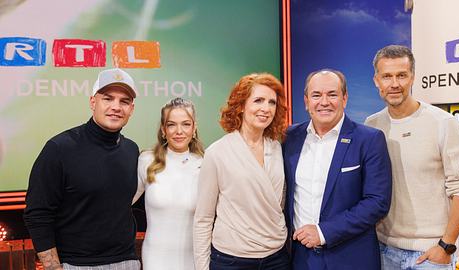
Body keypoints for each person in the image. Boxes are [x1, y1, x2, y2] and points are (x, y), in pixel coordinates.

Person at [365, 45, 459, 270]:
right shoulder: (372, 125)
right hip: (383, 249)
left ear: (413, 78)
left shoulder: (444, 123)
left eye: (402, 75)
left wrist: (446, 246)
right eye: (387, 76)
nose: (394, 83)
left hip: (430, 254)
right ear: (376, 80)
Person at [24, 68, 140, 270]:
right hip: (76, 264)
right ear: (93, 102)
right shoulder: (59, 148)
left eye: (124, 101)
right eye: (108, 98)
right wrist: (53, 267)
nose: (116, 107)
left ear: (132, 109)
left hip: (126, 262)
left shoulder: (131, 150)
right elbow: (37, 214)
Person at [283, 69, 392, 270]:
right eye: (316, 95)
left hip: (350, 258)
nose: (324, 102)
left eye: (332, 94)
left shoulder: (369, 139)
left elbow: (377, 202)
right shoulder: (289, 138)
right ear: (307, 101)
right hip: (299, 259)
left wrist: (323, 232)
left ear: (344, 98)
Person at [193, 73, 289, 270]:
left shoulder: (277, 148)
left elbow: (280, 204)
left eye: (272, 102)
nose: (266, 108)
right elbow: (203, 219)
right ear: (241, 105)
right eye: (258, 100)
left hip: (276, 259)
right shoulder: (217, 153)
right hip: (232, 260)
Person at [133, 97, 204, 270]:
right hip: (155, 260)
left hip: (194, 260)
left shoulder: (206, 163)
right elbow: (121, 206)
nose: (179, 131)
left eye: (186, 124)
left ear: (194, 128)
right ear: (163, 130)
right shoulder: (146, 160)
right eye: (171, 124)